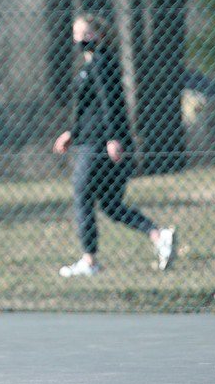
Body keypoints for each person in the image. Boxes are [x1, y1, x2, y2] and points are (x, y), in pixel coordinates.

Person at [52, 14, 177, 276]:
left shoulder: (101, 63)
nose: (80, 40)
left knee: (82, 194)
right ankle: (158, 236)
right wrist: (71, 133)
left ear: (99, 34)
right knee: (110, 203)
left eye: (86, 34)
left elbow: (112, 102)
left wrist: (114, 137)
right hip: (91, 138)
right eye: (76, 34)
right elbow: (89, 108)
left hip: (98, 143)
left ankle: (89, 262)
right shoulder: (94, 65)